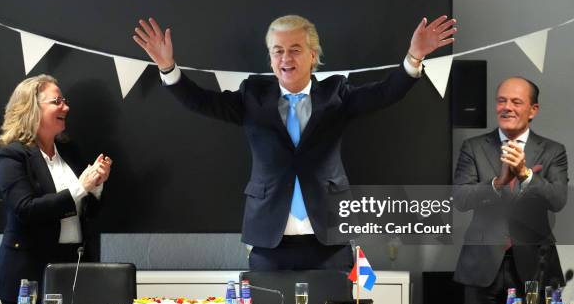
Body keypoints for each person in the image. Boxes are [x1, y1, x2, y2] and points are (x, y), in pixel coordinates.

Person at [133, 14, 456, 271]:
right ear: (271, 58)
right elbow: (201, 101)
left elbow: (385, 92)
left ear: (313, 55)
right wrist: (167, 67)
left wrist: (414, 56)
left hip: (329, 241)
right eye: (278, 50)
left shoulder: (336, 94)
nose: (285, 57)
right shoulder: (252, 95)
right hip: (269, 241)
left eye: (295, 49)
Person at [0, 74, 112, 304]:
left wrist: (96, 186)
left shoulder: (70, 151)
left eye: (64, 101)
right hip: (29, 274)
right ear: (32, 109)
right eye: (57, 102)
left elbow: (87, 213)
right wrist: (81, 187)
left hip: (75, 270)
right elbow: (26, 209)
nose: (66, 107)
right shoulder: (12, 156)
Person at [453, 76, 568, 304]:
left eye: (516, 102)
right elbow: (461, 199)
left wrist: (526, 175)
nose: (507, 107)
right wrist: (497, 183)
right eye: (501, 101)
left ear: (533, 110)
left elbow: (557, 200)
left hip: (535, 267)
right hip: (482, 267)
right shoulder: (473, 147)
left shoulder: (553, 151)